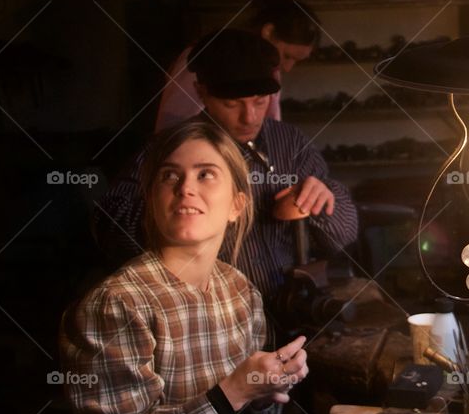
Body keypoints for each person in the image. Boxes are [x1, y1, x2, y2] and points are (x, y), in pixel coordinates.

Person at [61, 121, 309, 414]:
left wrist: (267, 386)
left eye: (205, 174)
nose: (186, 188)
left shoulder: (240, 291)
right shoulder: (119, 304)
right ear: (152, 199)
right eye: (169, 175)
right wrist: (230, 393)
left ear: (236, 205)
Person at [95, 29, 358, 319]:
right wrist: (178, 211)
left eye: (259, 101)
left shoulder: (290, 144)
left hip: (290, 309)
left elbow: (342, 237)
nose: (250, 117)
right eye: (231, 104)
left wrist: (322, 200)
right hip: (208, 316)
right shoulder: (169, 150)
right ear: (201, 92)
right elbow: (109, 231)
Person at [155, 0, 319, 132]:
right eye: (287, 56)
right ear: (268, 32)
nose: (288, 68)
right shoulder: (206, 57)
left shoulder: (269, 68)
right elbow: (170, 126)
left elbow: (272, 128)